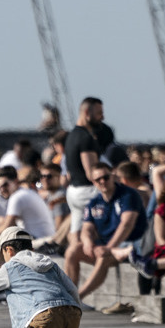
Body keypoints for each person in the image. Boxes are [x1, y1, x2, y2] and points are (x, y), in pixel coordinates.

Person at [68, 163, 148, 302]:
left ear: (113, 176)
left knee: (103, 256)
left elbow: (126, 225)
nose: (103, 181)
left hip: (130, 244)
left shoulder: (128, 195)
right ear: (93, 182)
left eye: (106, 177)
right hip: (106, 244)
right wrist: (88, 243)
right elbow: (87, 228)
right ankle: (68, 294)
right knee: (73, 250)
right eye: (98, 180)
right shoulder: (94, 201)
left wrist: (109, 247)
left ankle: (76, 299)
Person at [63, 98, 115, 240]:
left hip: (73, 190)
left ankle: (73, 254)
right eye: (99, 113)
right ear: (87, 112)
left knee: (76, 228)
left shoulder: (71, 135)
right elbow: (92, 172)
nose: (102, 117)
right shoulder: (86, 138)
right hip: (87, 191)